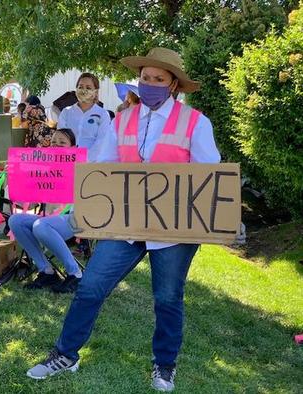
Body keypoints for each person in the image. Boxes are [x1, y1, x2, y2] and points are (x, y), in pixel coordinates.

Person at [26, 48, 221, 393]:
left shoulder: (195, 123)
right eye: (145, 78)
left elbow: (208, 178)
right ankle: (66, 354)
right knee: (90, 287)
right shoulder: (123, 120)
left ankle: (164, 366)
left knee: (167, 298)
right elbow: (103, 166)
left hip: (173, 230)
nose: (149, 85)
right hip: (125, 225)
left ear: (173, 85)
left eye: (158, 80)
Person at [8, 129, 82, 293]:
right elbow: (30, 199)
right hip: (48, 220)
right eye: (54, 142)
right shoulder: (44, 169)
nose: (57, 145)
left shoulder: (81, 168)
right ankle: (46, 271)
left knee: (41, 226)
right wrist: (16, 176)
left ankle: (75, 273)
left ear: (73, 147)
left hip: (75, 218)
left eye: (62, 143)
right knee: (15, 220)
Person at [57, 73, 113, 162]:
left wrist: (84, 159)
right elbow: (60, 139)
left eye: (88, 88)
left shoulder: (103, 114)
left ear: (95, 92)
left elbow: (102, 142)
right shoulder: (66, 112)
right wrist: (70, 158)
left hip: (92, 167)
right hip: (68, 163)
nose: (84, 90)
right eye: (80, 87)